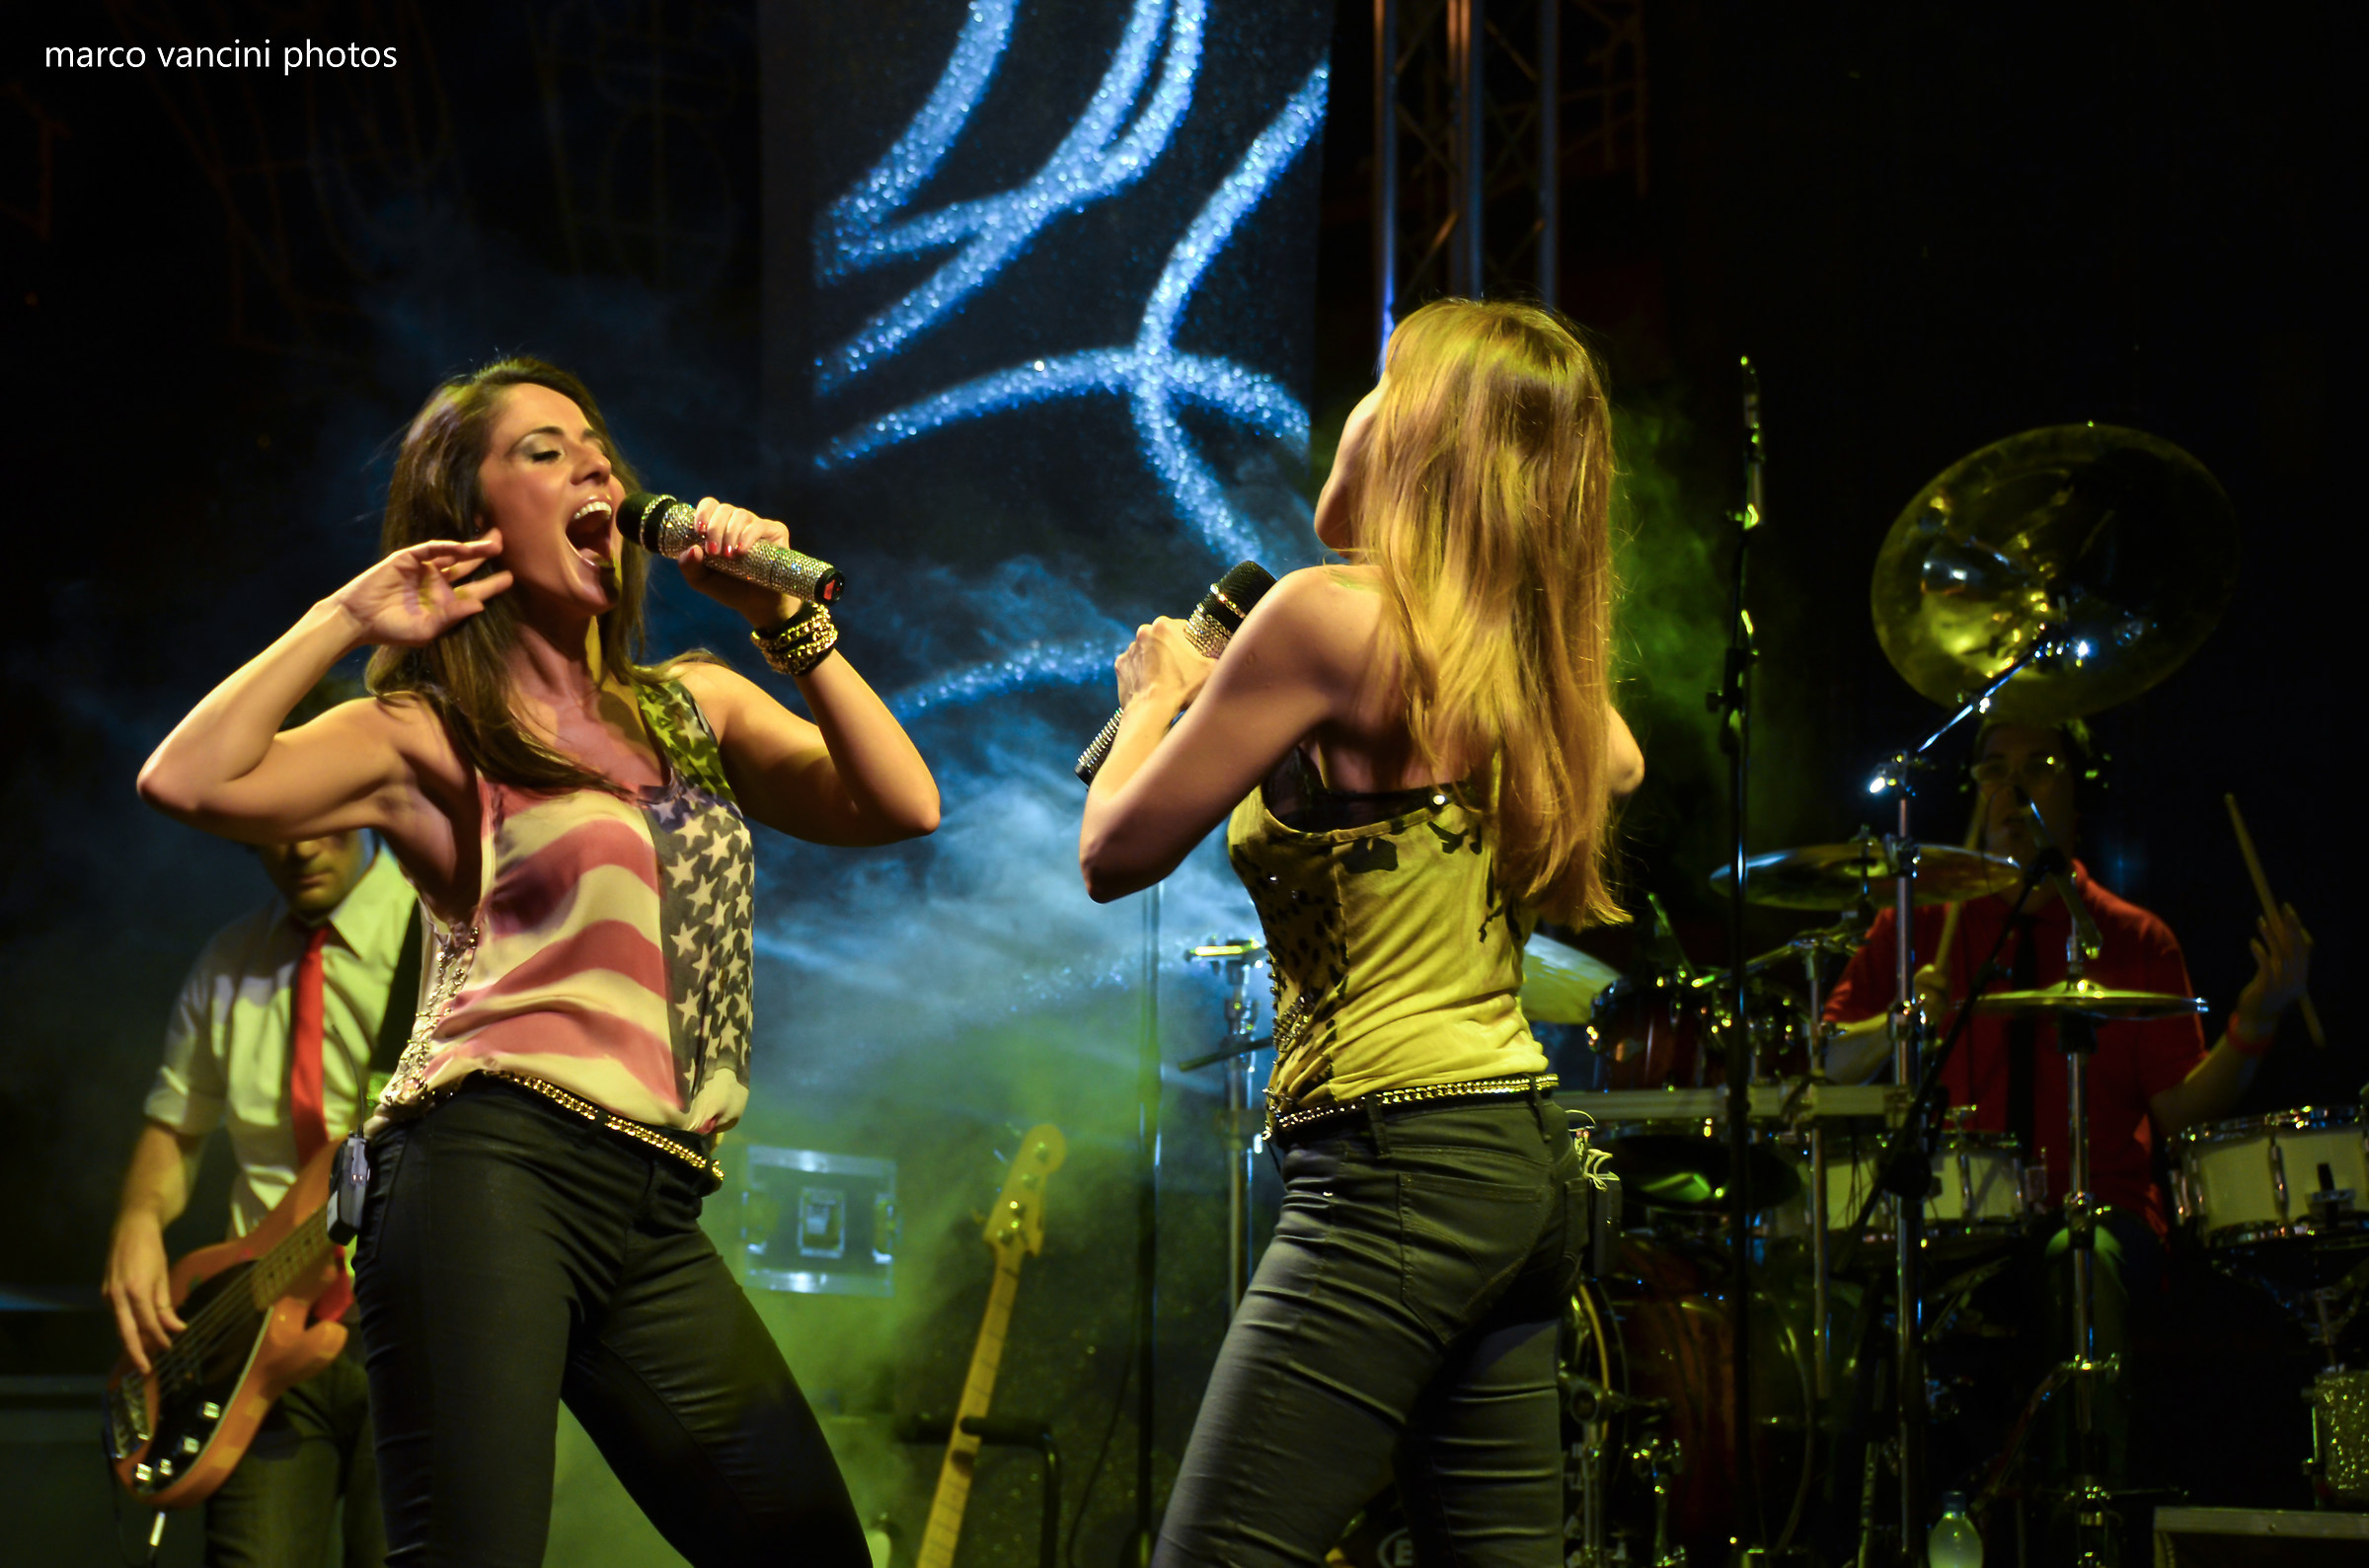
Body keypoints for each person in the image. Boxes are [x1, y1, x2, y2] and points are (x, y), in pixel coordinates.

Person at [135, 358, 940, 1568]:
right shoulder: (433, 729)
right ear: (470, 522)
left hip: (658, 1200)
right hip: (487, 1167)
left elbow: (903, 803)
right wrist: (349, 616)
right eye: (544, 450)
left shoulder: (694, 705)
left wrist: (788, 622)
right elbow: (186, 778)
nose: (593, 464)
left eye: (596, 446)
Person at [1078, 299, 1643, 1567]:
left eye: (1388, 381)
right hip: (1518, 1167)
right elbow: (1618, 759)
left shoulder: (1323, 619)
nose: (1360, 406)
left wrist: (1158, 698)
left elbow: (1113, 851)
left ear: (1429, 433)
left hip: (1396, 1168)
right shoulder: (1511, 660)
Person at [1820, 718, 2313, 1501]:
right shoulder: (1918, 923)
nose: (2012, 787)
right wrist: (1898, 1021)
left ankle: (2086, 1514)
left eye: (2039, 765)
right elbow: (1825, 1062)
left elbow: (2180, 1111)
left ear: (2079, 799)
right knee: (1846, 1280)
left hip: (2098, 1214)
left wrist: (2254, 1019)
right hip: (1956, 1220)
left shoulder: (2134, 937)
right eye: (1993, 768)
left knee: (2076, 1256)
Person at [107, 683, 409, 1568]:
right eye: (275, 818)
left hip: (411, 1320)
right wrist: (137, 1219)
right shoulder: (228, 961)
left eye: (318, 812)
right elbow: (175, 1126)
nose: (299, 843)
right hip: (253, 1334)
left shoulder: (444, 930)